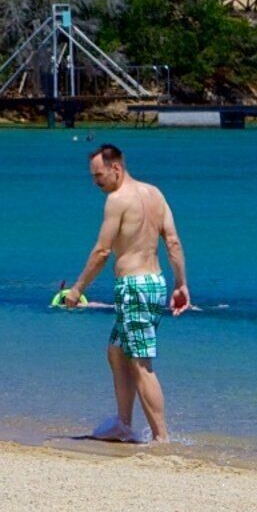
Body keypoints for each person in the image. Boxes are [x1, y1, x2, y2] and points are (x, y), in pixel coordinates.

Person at [58, 142, 191, 444]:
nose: (96, 183)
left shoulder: (117, 200)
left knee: (140, 364)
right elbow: (173, 242)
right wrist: (180, 283)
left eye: (99, 176)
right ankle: (123, 424)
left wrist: (77, 290)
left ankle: (161, 438)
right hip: (155, 284)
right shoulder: (155, 193)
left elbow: (103, 251)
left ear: (116, 168)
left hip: (134, 288)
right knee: (117, 351)